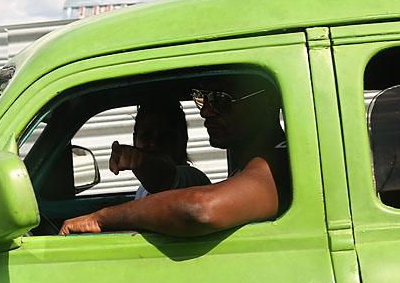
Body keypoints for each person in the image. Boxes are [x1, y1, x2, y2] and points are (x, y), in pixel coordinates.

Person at [60, 77, 287, 237]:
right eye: (203, 99)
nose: (205, 111)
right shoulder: (249, 165)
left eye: (221, 99)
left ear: (267, 101)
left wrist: (101, 218)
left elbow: (199, 210)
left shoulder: (279, 162)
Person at [114, 99, 209, 199]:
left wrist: (140, 160)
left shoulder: (193, 181)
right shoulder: (142, 191)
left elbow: (162, 177)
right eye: (146, 136)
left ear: (183, 140)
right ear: (135, 140)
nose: (154, 144)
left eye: (165, 136)